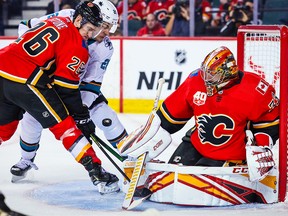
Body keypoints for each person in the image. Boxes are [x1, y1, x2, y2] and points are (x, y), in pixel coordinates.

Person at [0, 1, 119, 194]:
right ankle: (96, 172)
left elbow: (28, 26)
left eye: (94, 30)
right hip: (27, 78)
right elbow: (67, 91)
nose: (91, 34)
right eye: (89, 29)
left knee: (4, 130)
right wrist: (82, 117)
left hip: (3, 67)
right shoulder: (78, 46)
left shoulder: (58, 19)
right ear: (79, 20)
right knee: (65, 127)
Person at [119, 46, 279, 175]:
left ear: (228, 73)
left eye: (212, 75)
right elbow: (170, 116)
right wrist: (149, 136)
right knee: (174, 175)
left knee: (193, 186)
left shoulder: (256, 89)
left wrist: (261, 147)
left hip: (228, 154)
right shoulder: (195, 80)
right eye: (205, 73)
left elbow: (270, 124)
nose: (206, 79)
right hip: (195, 144)